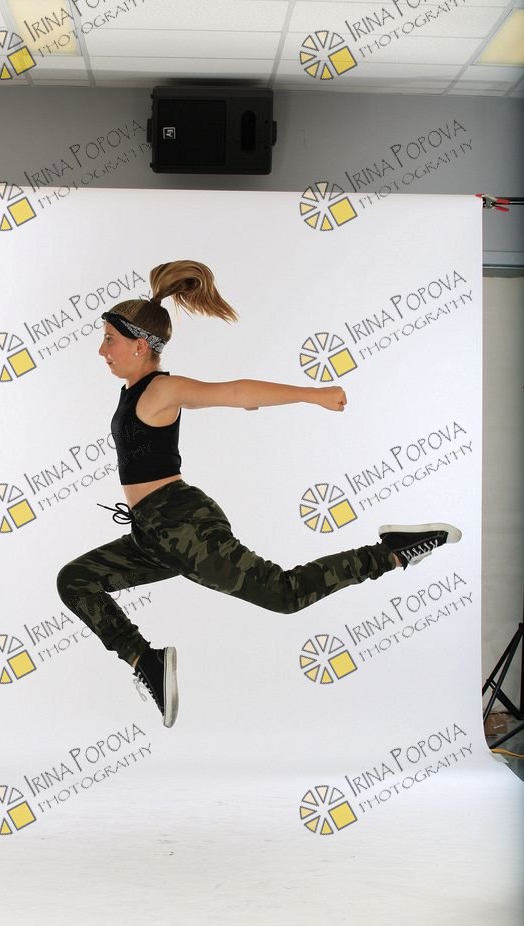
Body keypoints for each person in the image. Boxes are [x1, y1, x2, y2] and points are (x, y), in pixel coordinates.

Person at [57, 261, 461, 728]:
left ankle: (391, 552)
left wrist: (311, 394)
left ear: (140, 345)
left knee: (285, 594)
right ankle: (146, 661)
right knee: (76, 580)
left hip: (181, 526)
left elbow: (236, 392)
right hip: (153, 532)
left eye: (109, 339)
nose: (102, 350)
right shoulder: (132, 392)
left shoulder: (162, 389)